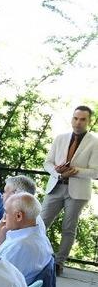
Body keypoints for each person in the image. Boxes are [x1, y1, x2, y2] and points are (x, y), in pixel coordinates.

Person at [41, 105, 98, 276]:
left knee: (68, 228)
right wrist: (57, 172)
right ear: (72, 118)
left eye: (82, 119)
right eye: (75, 118)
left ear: (89, 121)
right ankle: (39, 257)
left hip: (77, 192)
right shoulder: (60, 138)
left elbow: (96, 172)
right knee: (40, 223)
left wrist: (75, 171)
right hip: (56, 186)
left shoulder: (95, 142)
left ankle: (59, 263)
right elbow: (47, 163)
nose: (78, 122)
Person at [0, 193, 54, 282]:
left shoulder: (19, 246)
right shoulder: (41, 238)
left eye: (6, 212)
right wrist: (0, 237)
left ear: (18, 216)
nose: (3, 217)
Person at [0, 175, 46, 247]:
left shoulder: (20, 220)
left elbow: (0, 249)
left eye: (5, 191)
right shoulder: (33, 216)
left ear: (15, 194)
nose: (2, 196)